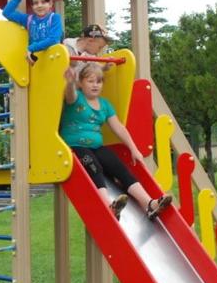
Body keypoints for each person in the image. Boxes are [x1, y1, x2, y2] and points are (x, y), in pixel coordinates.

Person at [60, 62, 173, 221]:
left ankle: (149, 204)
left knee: (119, 167)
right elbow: (69, 94)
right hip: (75, 147)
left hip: (97, 146)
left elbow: (119, 128)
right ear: (81, 83)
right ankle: (108, 206)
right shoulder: (76, 98)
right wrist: (70, 82)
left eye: (99, 81)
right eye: (90, 81)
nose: (95, 85)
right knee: (94, 167)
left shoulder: (105, 105)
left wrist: (133, 149)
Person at [2, 0, 64, 64]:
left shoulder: (54, 18)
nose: (39, 5)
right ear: (32, 6)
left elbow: (54, 39)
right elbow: (7, 12)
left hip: (52, 59)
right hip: (36, 61)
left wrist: (31, 48)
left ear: (50, 4)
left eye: (43, 2)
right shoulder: (29, 19)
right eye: (35, 3)